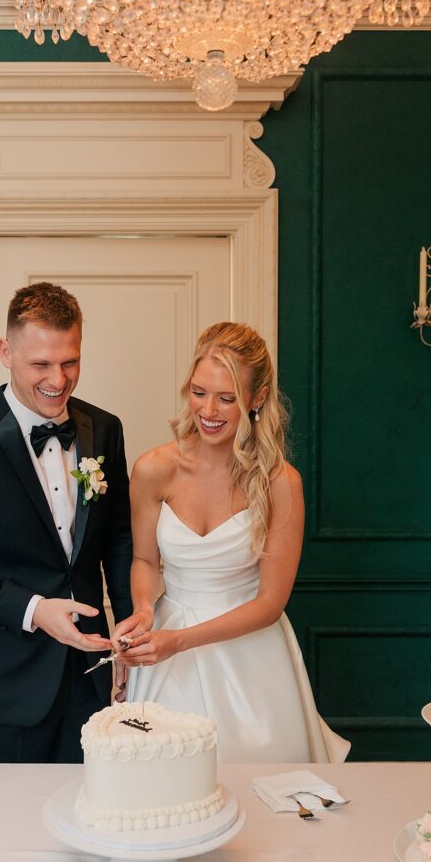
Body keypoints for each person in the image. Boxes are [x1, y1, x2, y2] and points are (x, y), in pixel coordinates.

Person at [113, 321, 349, 763]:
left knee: (262, 789)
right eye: (199, 392)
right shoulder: (153, 469)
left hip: (252, 656)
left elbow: (270, 603)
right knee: (165, 782)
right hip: (167, 650)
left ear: (256, 399)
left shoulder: (282, 483)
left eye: (227, 398)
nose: (208, 410)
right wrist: (145, 610)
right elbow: (144, 560)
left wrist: (179, 641)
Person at [0, 283, 133, 763]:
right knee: (1, 825)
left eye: (70, 361)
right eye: (40, 364)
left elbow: (118, 536)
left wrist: (128, 630)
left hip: (91, 673)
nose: (58, 379)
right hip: (4, 679)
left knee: (93, 817)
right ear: (5, 351)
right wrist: (35, 610)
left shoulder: (105, 428)